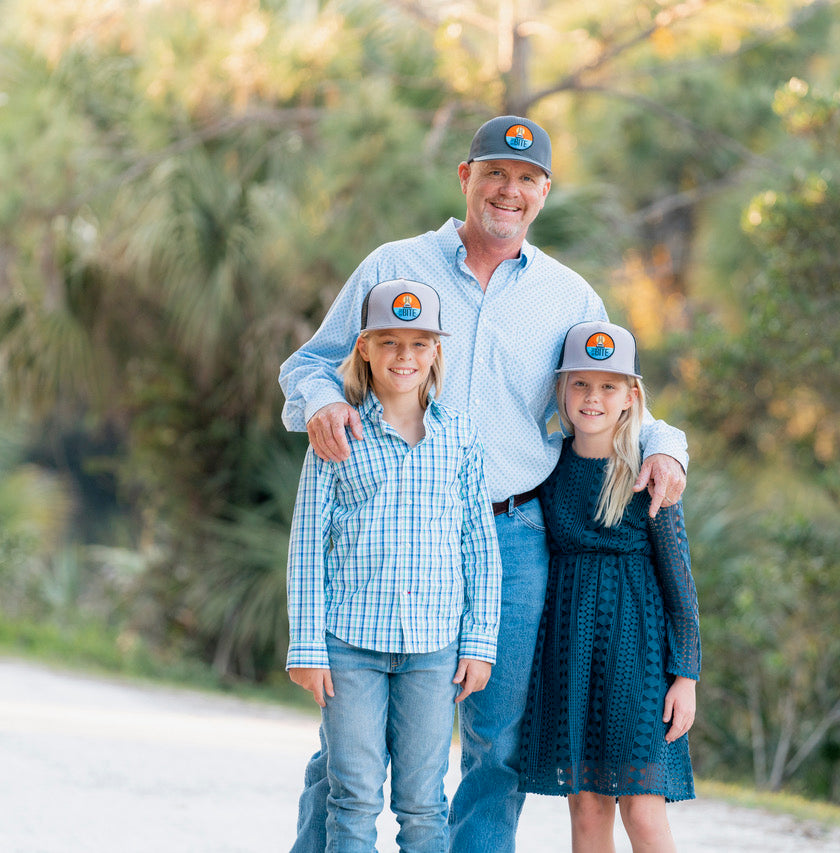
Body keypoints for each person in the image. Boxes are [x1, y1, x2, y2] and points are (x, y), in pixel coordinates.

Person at [279, 115, 689, 853]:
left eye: (527, 179)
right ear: (467, 177)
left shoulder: (568, 296)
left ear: (544, 193)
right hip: (395, 529)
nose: (510, 189)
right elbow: (308, 364)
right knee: (355, 740)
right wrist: (325, 400)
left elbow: (617, 396)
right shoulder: (393, 266)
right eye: (496, 172)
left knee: (497, 737)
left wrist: (669, 449)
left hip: (512, 535)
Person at [284, 278, 502, 852]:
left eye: (419, 344)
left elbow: (479, 545)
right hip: (349, 644)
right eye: (389, 342)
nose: (404, 357)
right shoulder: (337, 435)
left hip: (434, 650)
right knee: (352, 797)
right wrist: (307, 648)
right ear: (363, 348)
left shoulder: (460, 438)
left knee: (424, 804)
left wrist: (479, 642)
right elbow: (307, 545)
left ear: (436, 352)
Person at [519, 320, 701, 852]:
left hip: (638, 659)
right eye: (580, 384)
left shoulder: (650, 474)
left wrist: (685, 674)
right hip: (570, 654)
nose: (592, 398)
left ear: (631, 396)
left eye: (608, 386)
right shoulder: (545, 466)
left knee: (642, 810)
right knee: (586, 806)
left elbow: (680, 583)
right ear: (561, 390)